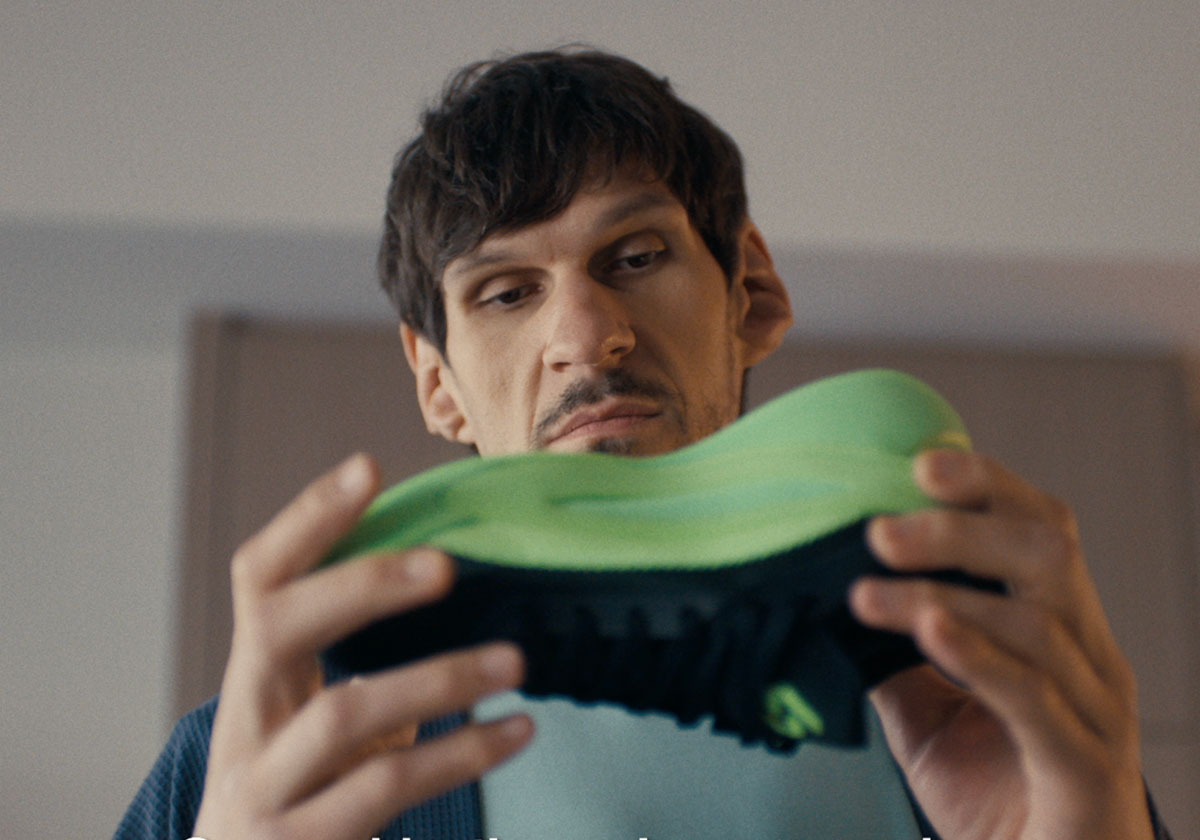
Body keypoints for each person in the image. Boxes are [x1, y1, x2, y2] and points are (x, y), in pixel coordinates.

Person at [115, 47, 1172, 840]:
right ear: (437, 382)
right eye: (506, 293)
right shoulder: (259, 766)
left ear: (751, 291)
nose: (585, 337)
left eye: (634, 257)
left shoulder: (986, 702)